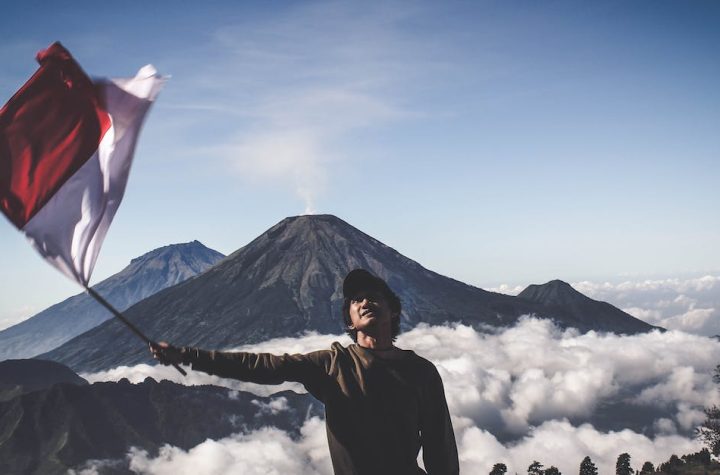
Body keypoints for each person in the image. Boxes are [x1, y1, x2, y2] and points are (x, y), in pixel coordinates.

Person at [150, 268, 459, 475]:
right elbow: (264, 367)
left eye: (373, 295)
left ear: (393, 310)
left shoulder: (421, 372)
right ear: (350, 322)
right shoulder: (332, 365)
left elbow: (440, 447)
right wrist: (188, 356)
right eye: (355, 299)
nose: (364, 301)